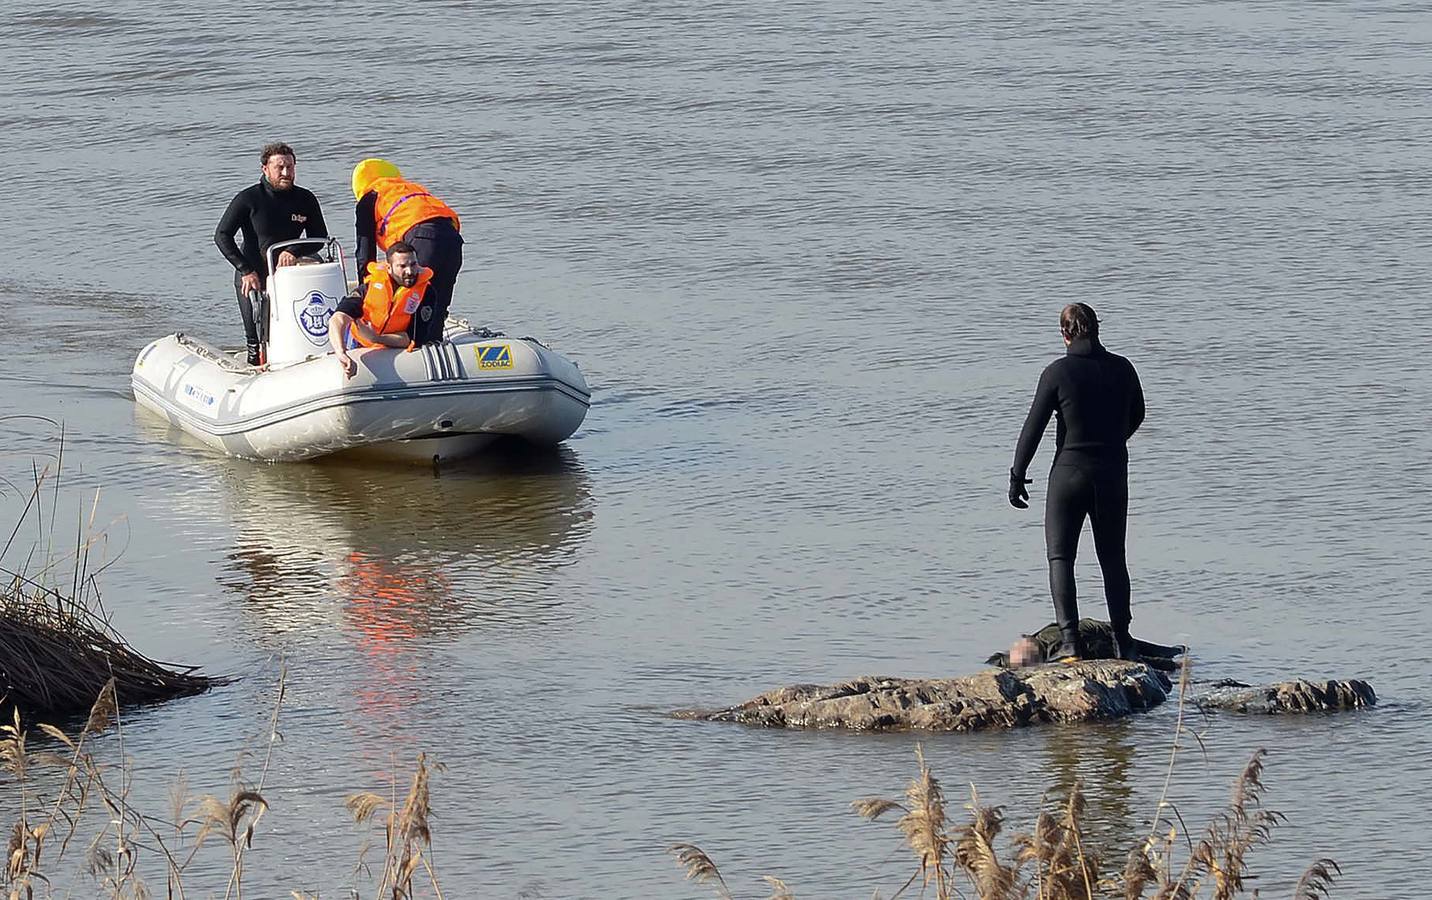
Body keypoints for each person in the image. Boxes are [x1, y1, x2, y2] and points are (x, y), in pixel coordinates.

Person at [1008, 303, 1145, 662]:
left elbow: (1033, 428)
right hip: (1112, 473)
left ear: (1064, 334)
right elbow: (1138, 414)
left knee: (1060, 558)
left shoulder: (1056, 373)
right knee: (1113, 558)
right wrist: (1113, 441)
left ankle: (1070, 644)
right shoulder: (1123, 368)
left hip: (1068, 474)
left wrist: (1017, 475)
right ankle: (1124, 642)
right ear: (1097, 329)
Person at [214, 142, 329, 365]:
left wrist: (293, 251)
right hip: (253, 277)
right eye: (280, 167)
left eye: (290, 167)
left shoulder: (305, 199)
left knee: (292, 335)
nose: (286, 173)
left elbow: (319, 237)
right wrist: (245, 270)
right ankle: (254, 364)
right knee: (256, 342)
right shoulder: (248, 198)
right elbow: (222, 235)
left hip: (288, 277)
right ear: (265, 169)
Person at [350, 158, 463, 347]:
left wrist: (366, 291)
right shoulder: (409, 188)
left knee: (408, 294)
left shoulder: (370, 198)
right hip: (453, 239)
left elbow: (364, 253)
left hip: (422, 238)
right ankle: (434, 342)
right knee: (439, 299)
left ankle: (410, 349)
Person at [328, 242, 432, 378]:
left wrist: (377, 338)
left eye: (413, 264)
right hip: (358, 344)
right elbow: (337, 319)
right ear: (389, 268)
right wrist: (341, 352)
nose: (410, 272)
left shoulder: (427, 291)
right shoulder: (369, 287)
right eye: (402, 266)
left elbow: (414, 338)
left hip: (395, 347)